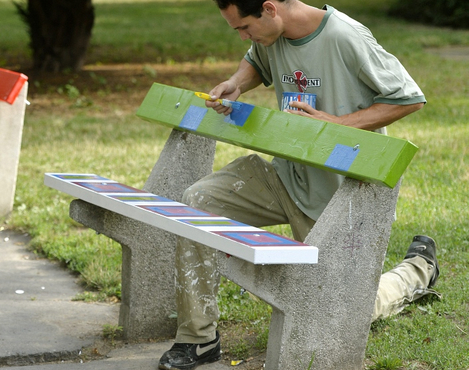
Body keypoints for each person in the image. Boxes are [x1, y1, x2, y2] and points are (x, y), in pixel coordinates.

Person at [158, 1, 440, 369]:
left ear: (270, 8)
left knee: (342, 309)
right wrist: (235, 84)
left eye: (244, 27)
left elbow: (409, 98)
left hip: (339, 199)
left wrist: (335, 124)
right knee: (197, 202)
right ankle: (198, 339)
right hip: (285, 178)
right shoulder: (270, 35)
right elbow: (256, 61)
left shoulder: (345, 36)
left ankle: (416, 270)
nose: (244, 36)